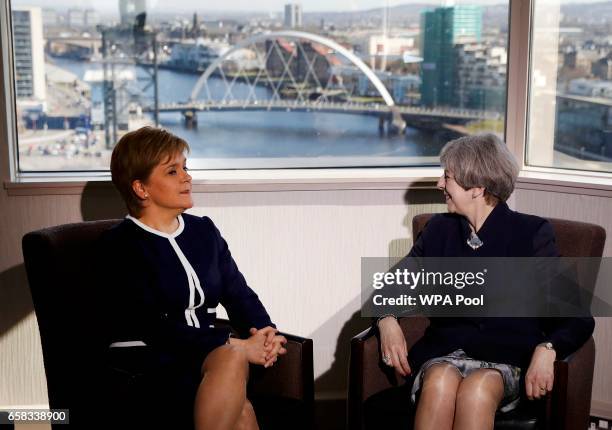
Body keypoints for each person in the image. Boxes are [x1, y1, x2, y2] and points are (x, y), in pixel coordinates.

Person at [377, 134, 594, 430]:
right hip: (444, 353)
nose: (440, 185)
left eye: (447, 177)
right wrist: (387, 319)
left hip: (507, 359)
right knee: (439, 382)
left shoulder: (531, 234)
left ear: (477, 188)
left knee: (476, 391)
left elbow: (578, 316)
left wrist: (548, 347)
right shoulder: (438, 230)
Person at [98, 126, 286, 430]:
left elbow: (239, 294)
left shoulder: (203, 231)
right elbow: (151, 325)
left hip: (206, 354)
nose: (187, 177)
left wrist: (265, 334)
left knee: (233, 373)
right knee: (242, 410)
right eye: (172, 171)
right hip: (147, 358)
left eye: (185, 168)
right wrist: (234, 344)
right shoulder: (120, 245)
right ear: (141, 188)